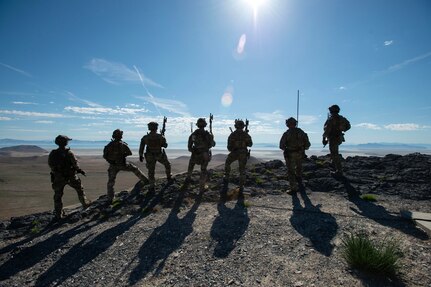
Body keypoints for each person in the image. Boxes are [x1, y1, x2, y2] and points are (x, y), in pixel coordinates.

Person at [48, 135, 91, 219]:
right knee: (80, 191)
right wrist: (79, 170)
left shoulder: (53, 153)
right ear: (65, 142)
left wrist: (57, 172)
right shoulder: (69, 152)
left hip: (59, 178)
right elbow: (75, 164)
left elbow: (51, 164)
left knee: (58, 196)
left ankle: (58, 214)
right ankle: (86, 206)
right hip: (71, 176)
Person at [103, 129, 149, 203]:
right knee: (135, 169)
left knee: (111, 182)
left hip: (113, 166)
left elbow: (105, 156)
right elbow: (129, 153)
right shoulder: (122, 144)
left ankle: (110, 198)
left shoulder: (109, 145)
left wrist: (112, 159)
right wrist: (122, 155)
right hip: (122, 164)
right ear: (120, 136)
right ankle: (146, 181)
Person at [279, 117, 311, 194]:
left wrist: (287, 149)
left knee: (291, 171)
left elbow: (281, 146)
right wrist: (301, 148)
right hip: (300, 154)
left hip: (290, 154)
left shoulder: (286, 134)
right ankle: (300, 183)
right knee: (299, 168)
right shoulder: (301, 132)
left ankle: (293, 188)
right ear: (295, 123)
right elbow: (307, 145)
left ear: (287, 124)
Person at [139, 121, 173, 191]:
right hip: (159, 155)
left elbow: (141, 148)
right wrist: (163, 139)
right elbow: (165, 145)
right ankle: (169, 177)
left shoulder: (145, 137)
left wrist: (140, 155)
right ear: (156, 128)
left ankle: (152, 185)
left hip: (149, 156)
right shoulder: (160, 136)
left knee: (151, 171)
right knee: (167, 164)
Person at [186, 118, 216, 190]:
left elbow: (189, 147)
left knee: (191, 166)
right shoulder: (208, 134)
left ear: (197, 125)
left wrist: (194, 150)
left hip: (195, 154)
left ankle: (187, 180)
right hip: (205, 155)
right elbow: (213, 144)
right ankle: (202, 186)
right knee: (203, 170)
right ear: (205, 125)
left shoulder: (194, 134)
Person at [322, 104, 351, 176]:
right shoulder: (341, 118)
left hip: (333, 138)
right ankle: (333, 163)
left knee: (334, 153)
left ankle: (339, 171)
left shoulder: (331, 119)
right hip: (339, 138)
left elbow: (327, 130)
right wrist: (341, 130)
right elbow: (348, 126)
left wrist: (324, 139)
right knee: (334, 152)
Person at [223, 119, 253, 188]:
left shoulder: (232, 135)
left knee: (227, 163)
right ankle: (241, 184)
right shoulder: (246, 135)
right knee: (242, 170)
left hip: (234, 152)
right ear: (243, 126)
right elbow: (250, 144)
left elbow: (229, 147)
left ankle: (226, 177)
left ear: (235, 126)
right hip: (243, 153)